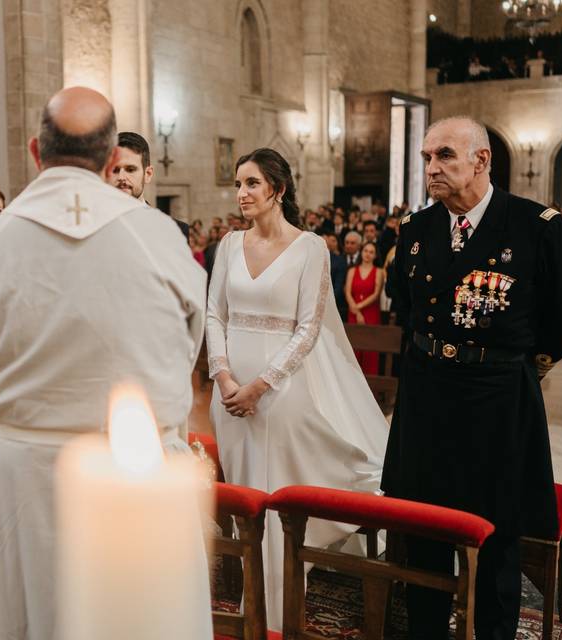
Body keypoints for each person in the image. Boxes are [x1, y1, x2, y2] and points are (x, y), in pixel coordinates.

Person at [0, 87, 211, 640]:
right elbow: (188, 344)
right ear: (111, 160)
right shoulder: (160, 237)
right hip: (140, 469)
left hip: (27, 477)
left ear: (34, 150)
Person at [382, 116, 562, 640]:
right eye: (427, 157)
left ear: (481, 160)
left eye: (444, 155)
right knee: (424, 529)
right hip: (427, 397)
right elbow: (404, 308)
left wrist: (518, 364)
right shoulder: (415, 230)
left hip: (496, 399)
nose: (432, 168)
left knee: (497, 540)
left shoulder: (535, 226)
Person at [205, 147, 389, 632]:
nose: (241, 194)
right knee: (247, 497)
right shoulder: (228, 245)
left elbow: (308, 328)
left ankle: (280, 606)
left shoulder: (309, 248)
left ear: (278, 190)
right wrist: (224, 377)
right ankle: (251, 601)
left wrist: (261, 385)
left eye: (251, 184)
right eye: (238, 185)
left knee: (277, 499)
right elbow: (214, 315)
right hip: (229, 394)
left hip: (280, 392)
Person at [109, 131, 189, 240]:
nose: (121, 177)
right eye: (115, 169)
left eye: (130, 169)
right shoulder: (92, 228)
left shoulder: (177, 232)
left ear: (148, 174)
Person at [344, 241, 384, 375]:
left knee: (370, 352)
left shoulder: (379, 271)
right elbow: (347, 292)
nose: (368, 254)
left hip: (370, 313)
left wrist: (358, 308)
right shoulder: (352, 270)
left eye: (371, 252)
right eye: (366, 251)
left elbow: (376, 294)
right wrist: (355, 310)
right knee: (352, 350)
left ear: (375, 256)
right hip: (353, 313)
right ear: (361, 252)